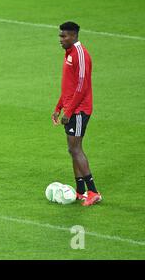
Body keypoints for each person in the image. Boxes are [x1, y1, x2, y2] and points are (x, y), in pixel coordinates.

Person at [52, 22, 102, 206]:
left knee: (76, 148)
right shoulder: (69, 53)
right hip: (72, 108)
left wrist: (70, 111)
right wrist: (59, 107)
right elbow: (69, 86)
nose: (60, 40)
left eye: (63, 36)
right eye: (60, 36)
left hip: (80, 110)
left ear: (73, 35)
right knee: (72, 149)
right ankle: (80, 191)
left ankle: (93, 191)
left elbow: (81, 88)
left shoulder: (80, 55)